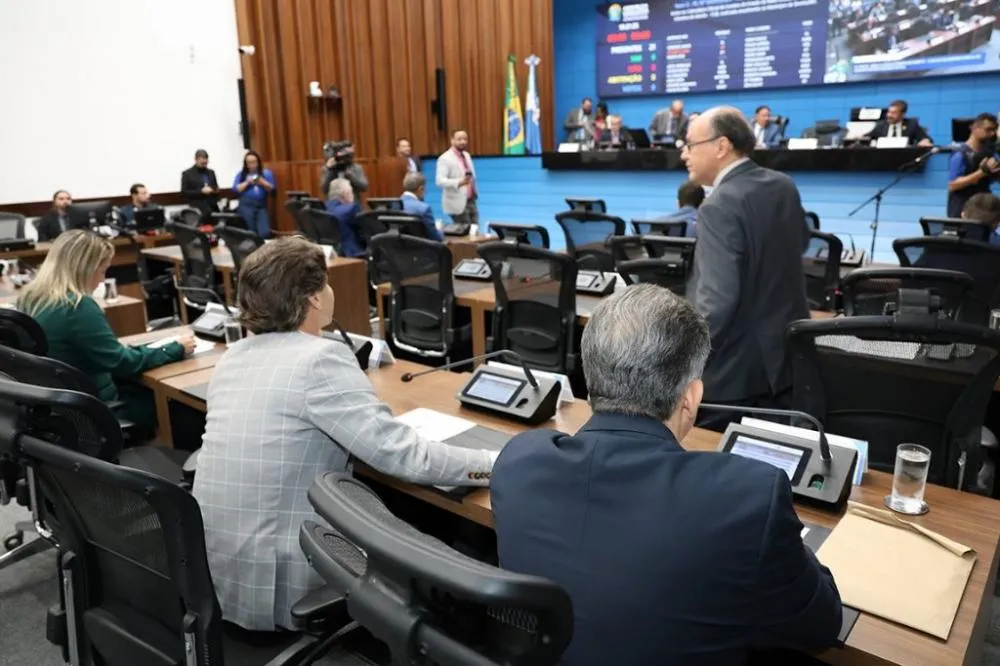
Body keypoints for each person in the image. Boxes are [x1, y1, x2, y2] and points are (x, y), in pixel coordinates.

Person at [492, 284, 843, 666]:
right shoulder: (748, 499)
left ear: (590, 377)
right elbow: (821, 623)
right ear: (691, 397)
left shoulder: (519, 462)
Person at [192, 237, 497, 631]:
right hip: (284, 578)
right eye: (327, 283)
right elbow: (405, 458)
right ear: (314, 298)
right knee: (442, 543)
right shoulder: (318, 360)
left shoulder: (233, 356)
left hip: (220, 573)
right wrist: (490, 463)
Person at [682, 106, 810, 431]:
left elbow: (716, 304)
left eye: (690, 144)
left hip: (731, 379)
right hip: (787, 366)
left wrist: (679, 359)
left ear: (721, 146)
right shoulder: (783, 185)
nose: (684, 154)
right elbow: (802, 244)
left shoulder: (717, 206)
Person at [16, 230, 195, 431]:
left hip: (61, 404)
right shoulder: (77, 306)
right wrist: (174, 349)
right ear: (84, 268)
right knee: (182, 406)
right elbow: (120, 362)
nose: (102, 280)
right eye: (102, 271)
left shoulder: (30, 298)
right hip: (97, 408)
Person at [947, 112, 999, 217]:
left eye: (994, 130)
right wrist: (981, 173)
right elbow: (953, 185)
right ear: (974, 129)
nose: (992, 133)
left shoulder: (990, 153)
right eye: (988, 129)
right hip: (962, 207)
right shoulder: (960, 154)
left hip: (983, 206)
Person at [435, 128, 478, 231]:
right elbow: (439, 181)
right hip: (457, 202)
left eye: (465, 139)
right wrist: (459, 182)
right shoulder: (444, 158)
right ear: (452, 140)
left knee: (475, 231)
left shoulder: (466, 155)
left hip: (471, 200)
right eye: (459, 139)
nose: (463, 141)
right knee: (465, 233)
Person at [232, 150, 276, 238]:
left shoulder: (266, 173)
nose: (251, 165)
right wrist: (247, 182)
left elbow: (272, 189)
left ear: (258, 162)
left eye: (253, 162)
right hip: (246, 206)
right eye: (249, 163)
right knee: (251, 232)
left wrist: (262, 182)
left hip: (261, 206)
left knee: (265, 232)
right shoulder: (241, 175)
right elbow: (235, 189)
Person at [863, 100, 932, 147]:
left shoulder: (911, 124)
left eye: (894, 113)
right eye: (889, 112)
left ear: (902, 114)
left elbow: (926, 139)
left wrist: (925, 141)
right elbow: (867, 138)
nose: (889, 115)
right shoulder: (881, 125)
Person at [325, 177, 364, 257]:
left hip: (331, 253)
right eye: (351, 192)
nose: (353, 195)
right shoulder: (352, 208)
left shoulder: (324, 207)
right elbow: (365, 229)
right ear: (345, 193)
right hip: (351, 253)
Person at [400, 172, 443, 241]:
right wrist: (440, 230)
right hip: (420, 249)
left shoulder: (392, 205)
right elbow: (436, 238)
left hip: (397, 249)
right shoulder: (424, 208)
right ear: (421, 189)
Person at [180, 149, 220, 223]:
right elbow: (184, 192)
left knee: (222, 216)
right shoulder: (187, 174)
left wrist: (212, 190)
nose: (204, 164)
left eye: (206, 162)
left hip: (212, 202)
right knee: (208, 211)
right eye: (202, 162)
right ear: (196, 159)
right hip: (197, 202)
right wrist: (201, 191)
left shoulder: (211, 172)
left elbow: (216, 188)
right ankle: (197, 227)